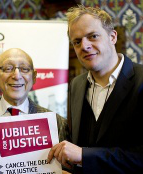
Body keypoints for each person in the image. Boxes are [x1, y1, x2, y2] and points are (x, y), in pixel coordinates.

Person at [47, 5, 143, 174]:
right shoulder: (75, 85)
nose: (84, 46)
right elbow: (75, 143)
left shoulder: (141, 80)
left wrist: (84, 156)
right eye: (77, 41)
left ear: (112, 37)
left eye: (93, 36)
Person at [0, 48, 68, 173]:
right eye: (8, 68)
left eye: (24, 69)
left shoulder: (58, 124)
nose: (17, 75)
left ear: (34, 76)